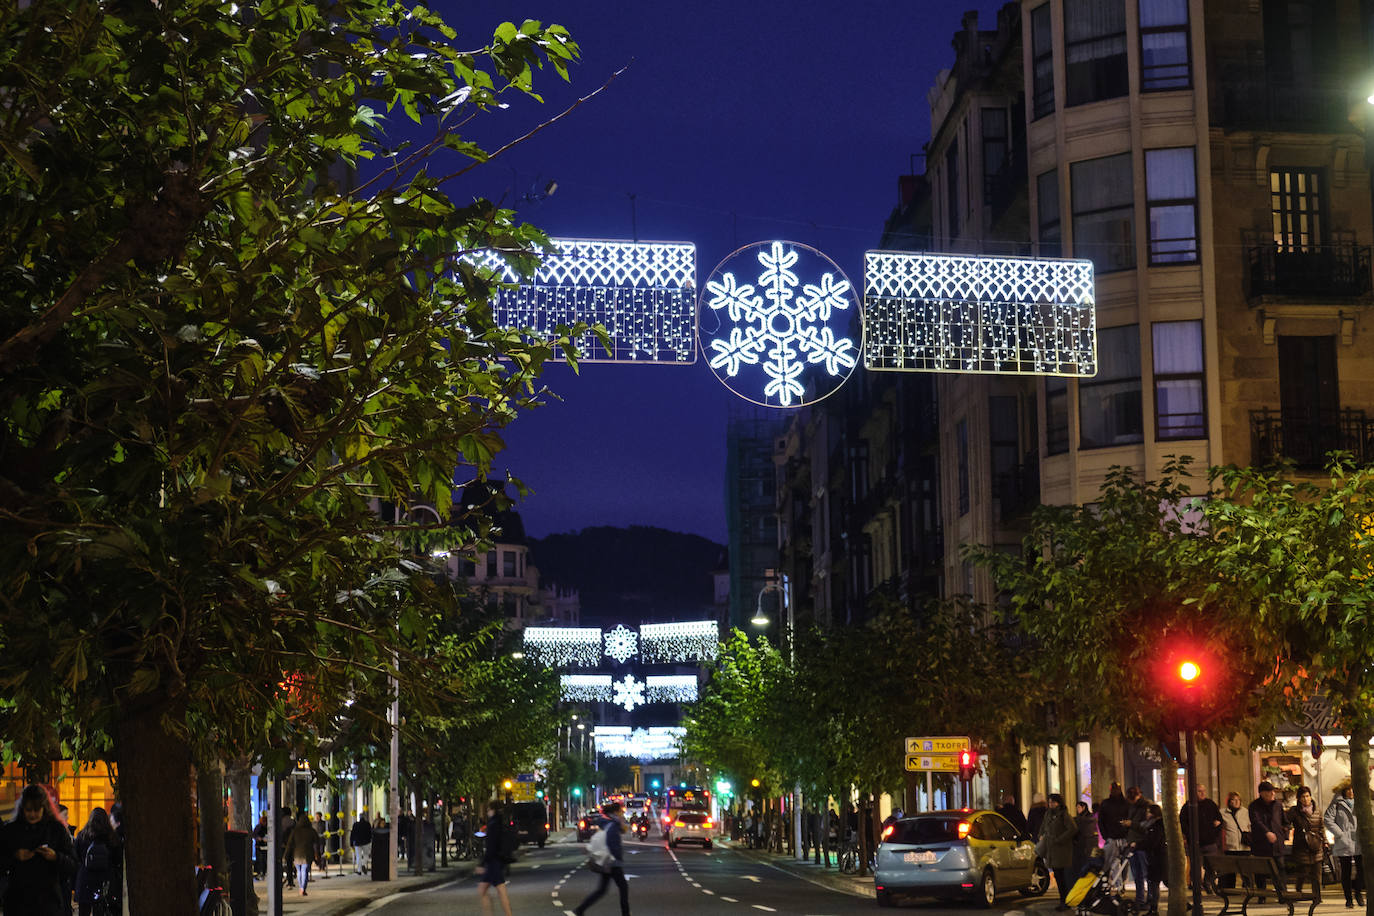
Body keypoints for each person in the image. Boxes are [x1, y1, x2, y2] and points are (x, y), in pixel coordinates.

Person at [0, 783, 77, 915]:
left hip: (48, 903)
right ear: (22, 808)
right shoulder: (11, 831)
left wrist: (55, 857)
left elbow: (73, 865)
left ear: (44, 808)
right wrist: (15, 856)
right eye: (28, 810)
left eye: (37, 810)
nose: (33, 814)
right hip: (18, 903)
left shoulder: (56, 830)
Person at [572, 801, 630, 916]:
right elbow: (611, 842)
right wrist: (617, 856)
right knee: (623, 887)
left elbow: (622, 830)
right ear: (615, 812)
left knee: (602, 890)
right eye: (620, 811)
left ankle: (580, 909)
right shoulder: (612, 824)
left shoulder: (607, 823)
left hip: (607, 860)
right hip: (612, 861)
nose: (622, 814)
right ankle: (626, 913)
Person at [74, 806, 118, 916]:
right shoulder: (111, 836)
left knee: (83, 911)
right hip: (104, 879)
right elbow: (116, 858)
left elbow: (76, 855)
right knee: (101, 910)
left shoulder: (82, 835)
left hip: (85, 879)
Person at [1180, 783, 1223, 894]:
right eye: (1199, 791)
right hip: (1195, 842)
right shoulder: (1188, 806)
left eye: (1203, 790)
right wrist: (1191, 835)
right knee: (1195, 866)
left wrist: (1214, 832)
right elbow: (1183, 823)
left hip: (1210, 841)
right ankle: (1196, 886)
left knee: (1211, 865)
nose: (1202, 793)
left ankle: (1207, 883)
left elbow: (1219, 820)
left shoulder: (1210, 804)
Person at [1326, 784, 1364, 908]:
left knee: (1361, 870)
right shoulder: (1337, 803)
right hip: (1344, 841)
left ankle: (1358, 894)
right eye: (1348, 789)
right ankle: (1348, 899)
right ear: (1344, 790)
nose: (1351, 792)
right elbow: (1328, 819)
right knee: (1346, 872)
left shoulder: (1361, 801)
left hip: (1358, 840)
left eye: (1353, 789)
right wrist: (1340, 834)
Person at [1248, 781, 1287, 893]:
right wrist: (1267, 832)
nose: (1273, 794)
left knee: (1280, 869)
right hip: (1261, 845)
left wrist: (1285, 833)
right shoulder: (1254, 806)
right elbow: (1256, 822)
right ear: (1262, 793)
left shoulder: (1278, 805)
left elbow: (1284, 821)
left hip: (1277, 845)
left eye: (1273, 791)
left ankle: (1283, 894)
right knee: (1261, 871)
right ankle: (1262, 894)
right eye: (1270, 792)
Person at [1040, 793, 1078, 910]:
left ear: (1058, 803)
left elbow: (1072, 829)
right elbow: (1043, 827)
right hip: (1051, 850)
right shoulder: (1048, 814)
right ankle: (1063, 900)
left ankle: (1065, 901)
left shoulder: (1063, 815)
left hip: (1061, 850)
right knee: (1058, 876)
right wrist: (1041, 835)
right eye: (1049, 802)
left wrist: (1059, 839)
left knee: (1062, 876)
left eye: (1053, 802)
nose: (1051, 804)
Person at [477, 800, 514, 916]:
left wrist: (482, 864)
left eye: (488, 810)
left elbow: (490, 847)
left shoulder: (493, 825)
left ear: (493, 810)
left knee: (485, 891)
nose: (488, 812)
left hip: (493, 862)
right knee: (499, 891)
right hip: (499, 861)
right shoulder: (501, 823)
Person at [1286, 785, 1325, 895]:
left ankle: (1317, 895)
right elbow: (1286, 822)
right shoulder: (1294, 811)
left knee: (1317, 873)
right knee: (1302, 872)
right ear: (1299, 798)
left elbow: (1322, 827)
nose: (1306, 799)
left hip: (1316, 845)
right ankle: (1299, 891)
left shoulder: (1317, 810)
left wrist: (1325, 842)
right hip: (1301, 846)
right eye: (1303, 796)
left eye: (1307, 796)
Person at [1097, 783, 1130, 890]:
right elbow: (1101, 821)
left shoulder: (1124, 803)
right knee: (1114, 862)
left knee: (1122, 863)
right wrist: (1106, 836)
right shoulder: (1107, 804)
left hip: (1121, 837)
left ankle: (1120, 884)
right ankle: (1117, 884)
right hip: (1112, 837)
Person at [1219, 791, 1251, 889]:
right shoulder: (1222, 813)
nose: (1236, 802)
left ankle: (1247, 887)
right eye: (1233, 800)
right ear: (1229, 801)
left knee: (1245, 870)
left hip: (1244, 846)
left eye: (1238, 800)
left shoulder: (1245, 812)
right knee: (1230, 871)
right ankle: (1230, 889)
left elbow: (1250, 826)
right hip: (1231, 846)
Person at [1139, 804, 1167, 915]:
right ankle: (1152, 907)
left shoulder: (1156, 826)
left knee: (1154, 883)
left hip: (1157, 858)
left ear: (1153, 814)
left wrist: (1139, 845)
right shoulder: (1157, 825)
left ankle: (1153, 908)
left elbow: (1152, 842)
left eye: (1148, 812)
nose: (1146, 814)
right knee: (1157, 882)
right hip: (1158, 857)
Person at [289, 811, 318, 896]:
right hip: (307, 853)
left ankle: (301, 887)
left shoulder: (295, 831)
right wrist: (316, 853)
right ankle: (303, 888)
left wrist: (287, 854)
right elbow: (316, 843)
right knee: (305, 871)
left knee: (299, 871)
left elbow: (290, 843)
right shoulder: (311, 831)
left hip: (297, 854)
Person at [1072, 800, 1100, 881]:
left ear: (1084, 807)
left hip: (1086, 845)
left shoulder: (1087, 819)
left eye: (1078, 807)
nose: (1077, 809)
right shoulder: (1079, 818)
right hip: (1083, 845)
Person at [351, 809, 373, 875]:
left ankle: (359, 870)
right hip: (366, 842)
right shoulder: (367, 824)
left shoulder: (355, 824)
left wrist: (351, 843)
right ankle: (363, 864)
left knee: (358, 856)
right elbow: (370, 833)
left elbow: (352, 834)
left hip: (357, 842)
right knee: (366, 855)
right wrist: (370, 840)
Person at [252, 812, 269, 878]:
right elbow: (254, 835)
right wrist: (259, 838)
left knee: (263, 860)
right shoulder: (259, 827)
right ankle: (260, 872)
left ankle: (262, 872)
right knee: (260, 859)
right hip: (260, 846)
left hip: (263, 846)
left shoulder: (262, 827)